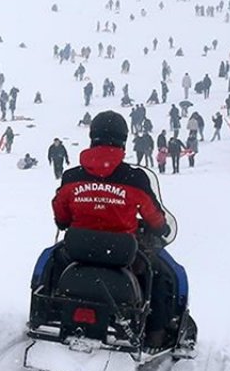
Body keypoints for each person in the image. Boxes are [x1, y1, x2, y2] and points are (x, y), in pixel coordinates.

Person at [45, 111, 191, 350]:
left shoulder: (72, 177)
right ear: (123, 140)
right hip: (122, 254)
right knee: (159, 274)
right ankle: (155, 332)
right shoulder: (134, 178)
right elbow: (153, 215)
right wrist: (160, 227)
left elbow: (61, 212)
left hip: (79, 251)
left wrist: (67, 220)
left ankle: (48, 313)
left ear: (93, 138)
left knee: (50, 262)